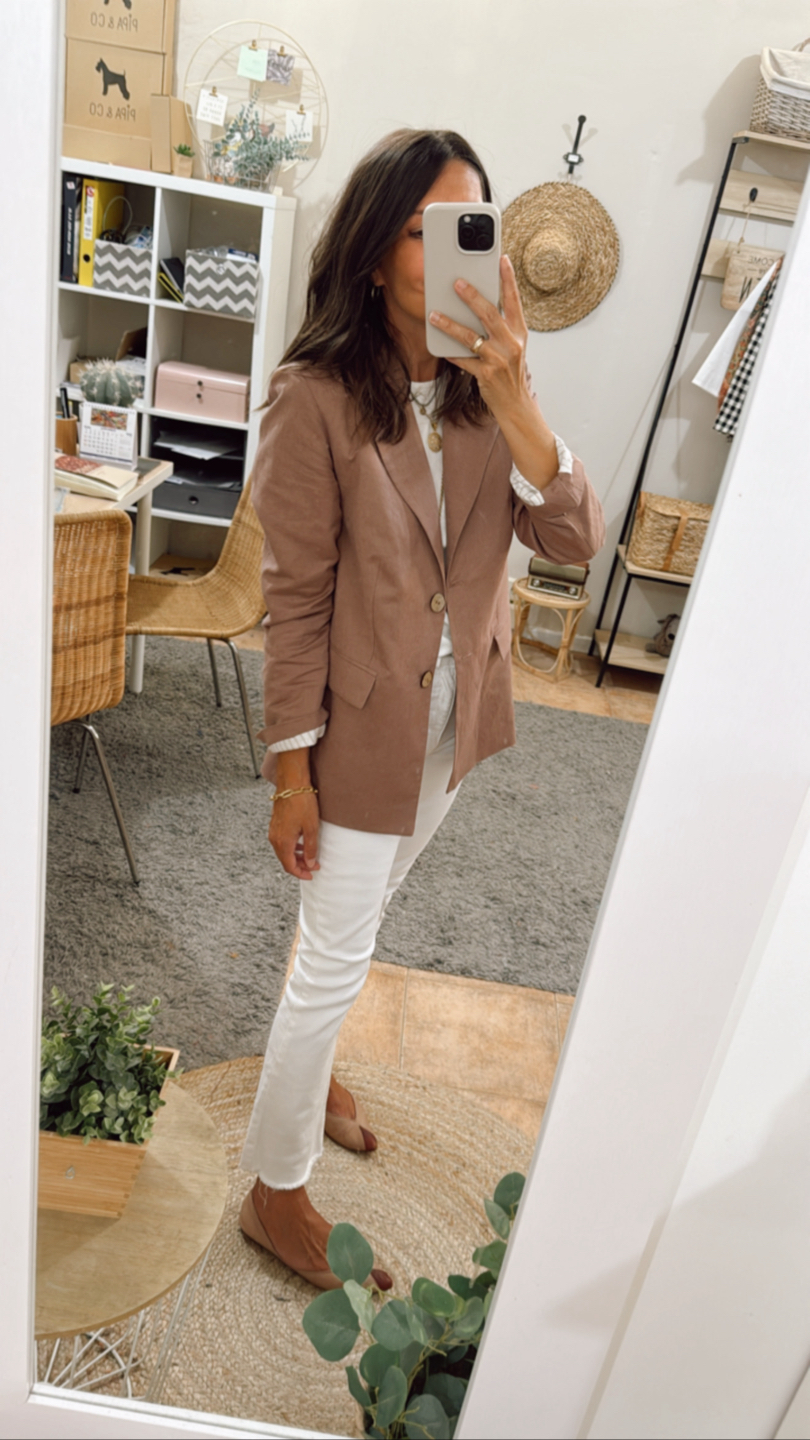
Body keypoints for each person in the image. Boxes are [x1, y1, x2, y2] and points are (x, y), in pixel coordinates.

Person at [239, 128, 605, 1289]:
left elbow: (571, 542)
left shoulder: (486, 391)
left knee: (356, 921)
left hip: (455, 721)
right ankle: (274, 1191)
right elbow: (294, 602)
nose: (454, 250)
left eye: (471, 226)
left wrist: (518, 395)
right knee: (335, 958)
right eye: (423, 228)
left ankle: (311, 1083)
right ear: (371, 252)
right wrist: (290, 772)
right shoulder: (314, 400)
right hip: (358, 730)